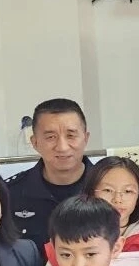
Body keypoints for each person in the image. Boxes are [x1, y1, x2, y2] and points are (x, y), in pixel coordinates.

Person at [6, 98, 93, 246]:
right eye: (51, 137)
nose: (62, 147)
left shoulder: (109, 189)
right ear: (35, 142)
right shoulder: (9, 194)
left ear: (85, 138)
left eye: (71, 135)